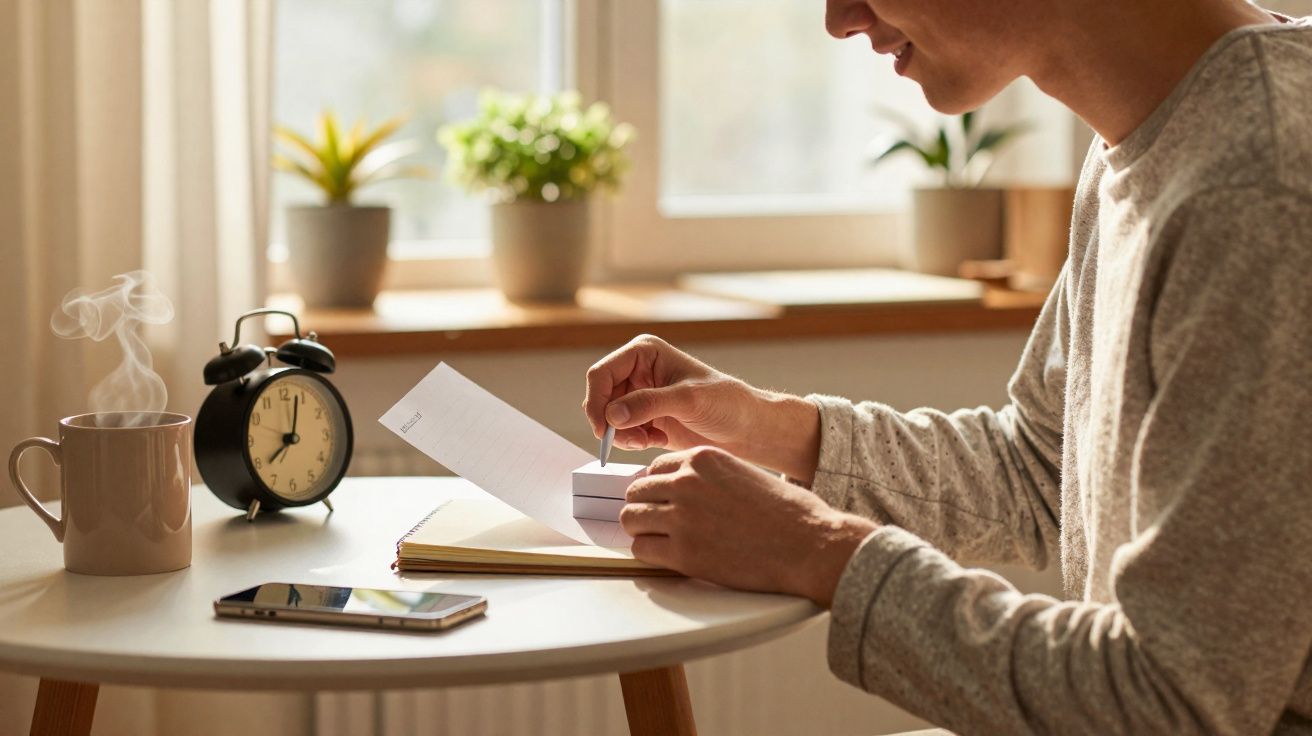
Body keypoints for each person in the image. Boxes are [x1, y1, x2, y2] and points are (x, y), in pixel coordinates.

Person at [581, 0, 1312, 732]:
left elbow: (1173, 702)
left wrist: (817, 551)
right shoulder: (1155, 133)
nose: (839, 19)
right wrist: (770, 429)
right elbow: (1044, 470)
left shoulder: (1259, 187)